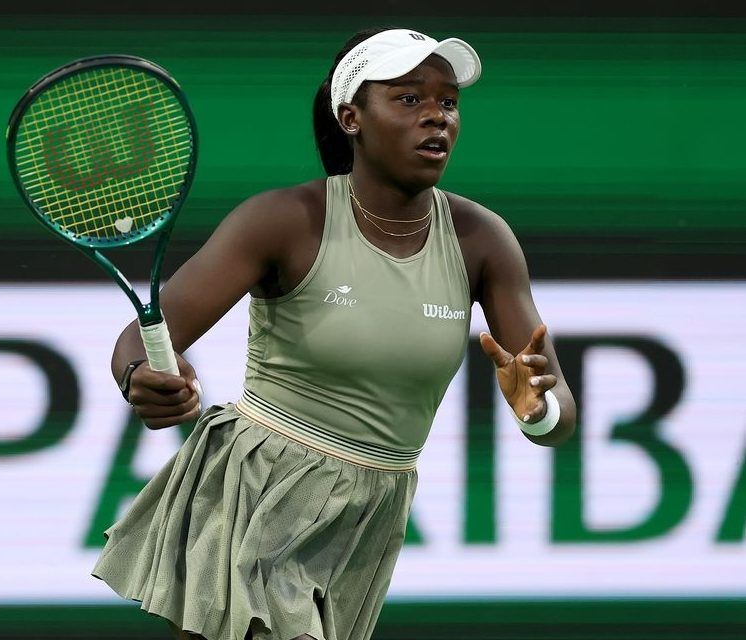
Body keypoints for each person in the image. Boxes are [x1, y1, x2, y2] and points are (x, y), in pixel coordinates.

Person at [92, 26, 577, 640]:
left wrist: (537, 408)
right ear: (352, 117)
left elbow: (560, 416)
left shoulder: (484, 240)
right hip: (259, 492)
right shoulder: (284, 220)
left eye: (448, 102)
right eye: (408, 99)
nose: (437, 117)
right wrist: (143, 377)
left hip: (373, 512)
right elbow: (140, 340)